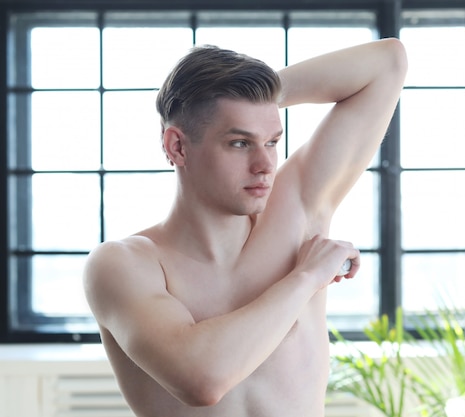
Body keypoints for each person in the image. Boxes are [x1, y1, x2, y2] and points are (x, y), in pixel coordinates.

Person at [83, 37, 407, 417]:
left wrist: (260, 98)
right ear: (177, 147)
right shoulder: (124, 264)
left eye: (271, 142)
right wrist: (305, 277)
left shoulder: (297, 210)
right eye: (239, 143)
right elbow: (201, 379)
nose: (265, 165)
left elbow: (386, 63)